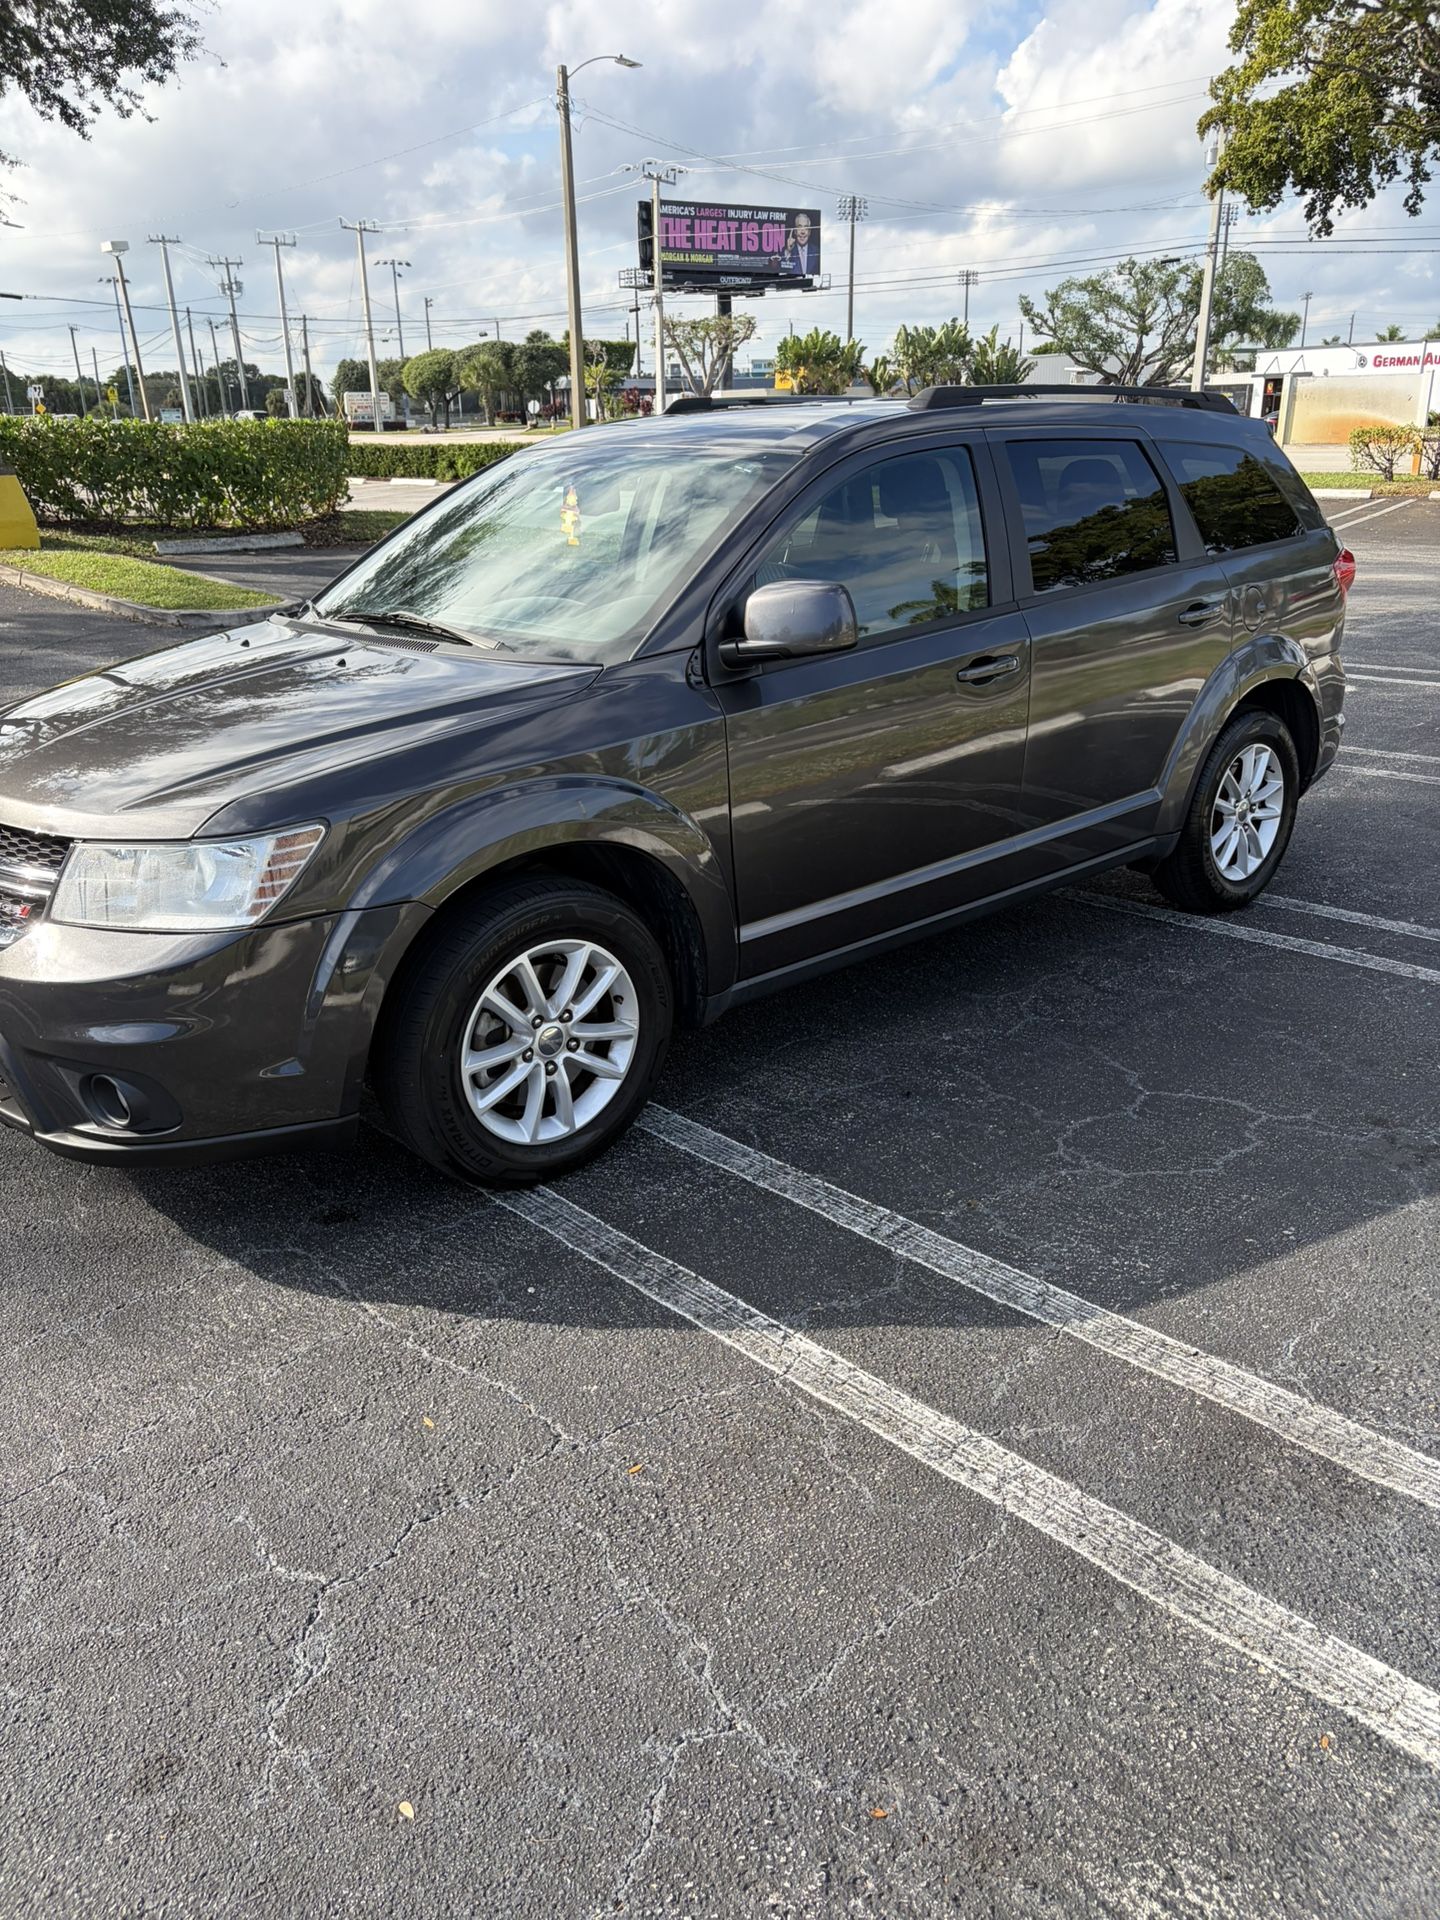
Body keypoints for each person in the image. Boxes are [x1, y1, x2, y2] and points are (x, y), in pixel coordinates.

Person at [779, 213, 817, 278]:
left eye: (806, 228)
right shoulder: (788, 250)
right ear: (795, 231)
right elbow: (780, 268)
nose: (802, 232)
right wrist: (788, 251)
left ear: (809, 232)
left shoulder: (816, 251)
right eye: (799, 227)